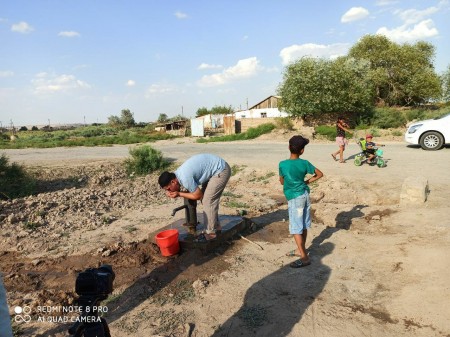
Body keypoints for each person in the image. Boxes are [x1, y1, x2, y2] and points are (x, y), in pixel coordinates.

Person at [158, 153, 231, 240]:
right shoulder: (178, 175)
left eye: (169, 189)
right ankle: (216, 227)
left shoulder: (184, 178)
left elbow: (198, 195)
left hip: (221, 170)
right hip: (213, 169)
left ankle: (210, 234)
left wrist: (179, 194)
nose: (169, 191)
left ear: (173, 182)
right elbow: (194, 192)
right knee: (206, 200)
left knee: (208, 201)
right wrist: (178, 192)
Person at [279, 135, 323, 268]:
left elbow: (282, 181)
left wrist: (288, 181)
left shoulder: (283, 164)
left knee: (296, 227)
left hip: (294, 198)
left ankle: (304, 258)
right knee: (303, 224)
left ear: (289, 147)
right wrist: (305, 182)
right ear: (302, 150)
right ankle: (300, 249)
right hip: (304, 195)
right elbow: (319, 174)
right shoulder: (305, 163)